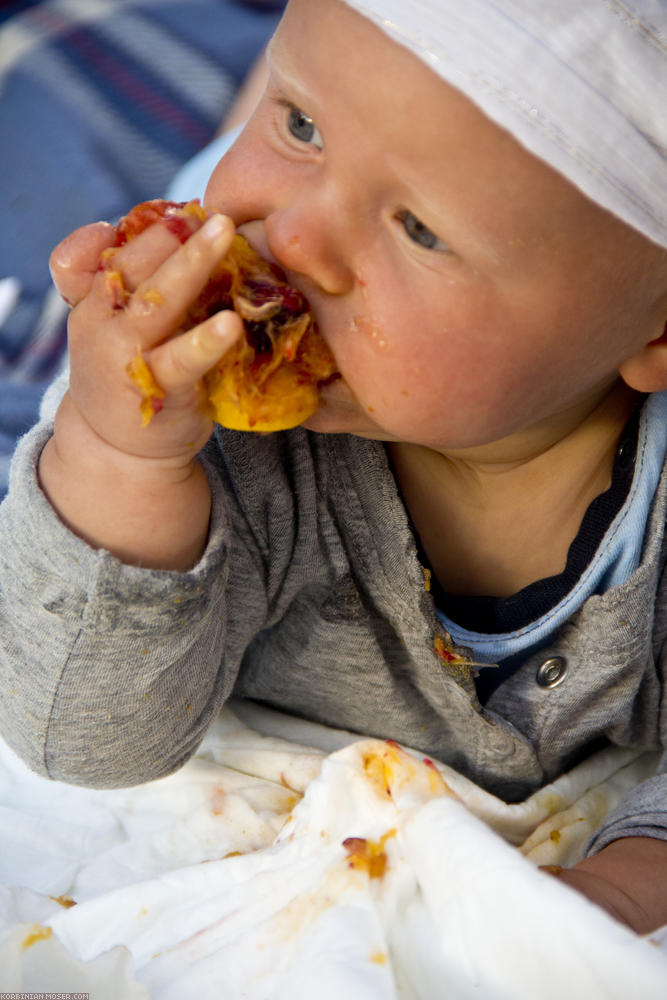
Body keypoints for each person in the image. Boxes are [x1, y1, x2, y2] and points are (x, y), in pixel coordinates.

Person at [1, 0, 667, 935]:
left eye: (421, 229)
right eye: (301, 122)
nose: (297, 241)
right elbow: (77, 739)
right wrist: (119, 459)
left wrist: (633, 878)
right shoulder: (213, 423)